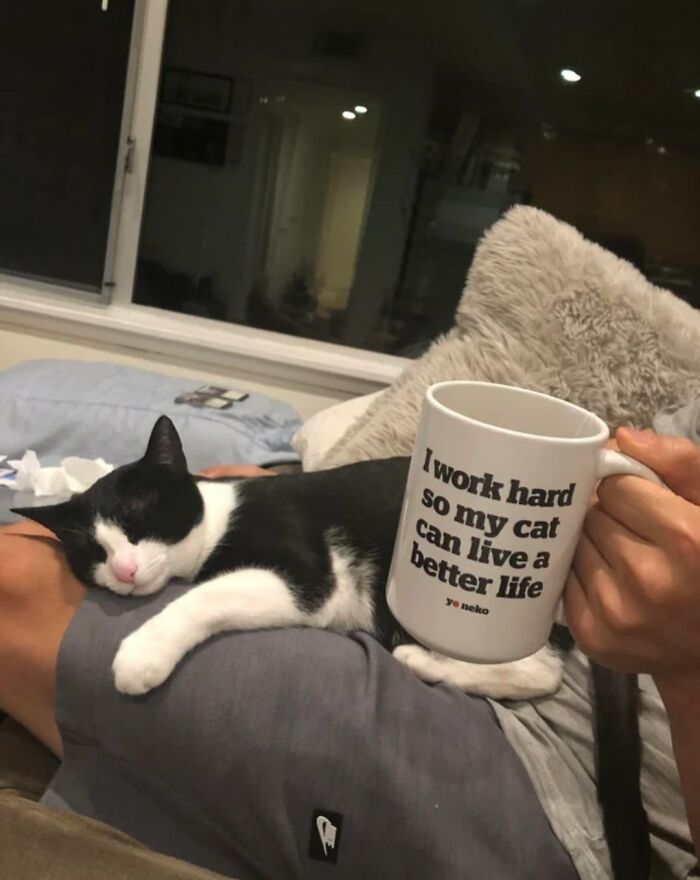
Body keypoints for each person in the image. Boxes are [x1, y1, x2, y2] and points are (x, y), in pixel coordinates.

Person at [0, 429, 698, 877]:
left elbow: (307, 592)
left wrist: (689, 661)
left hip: (558, 752)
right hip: (516, 610)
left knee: (14, 584)